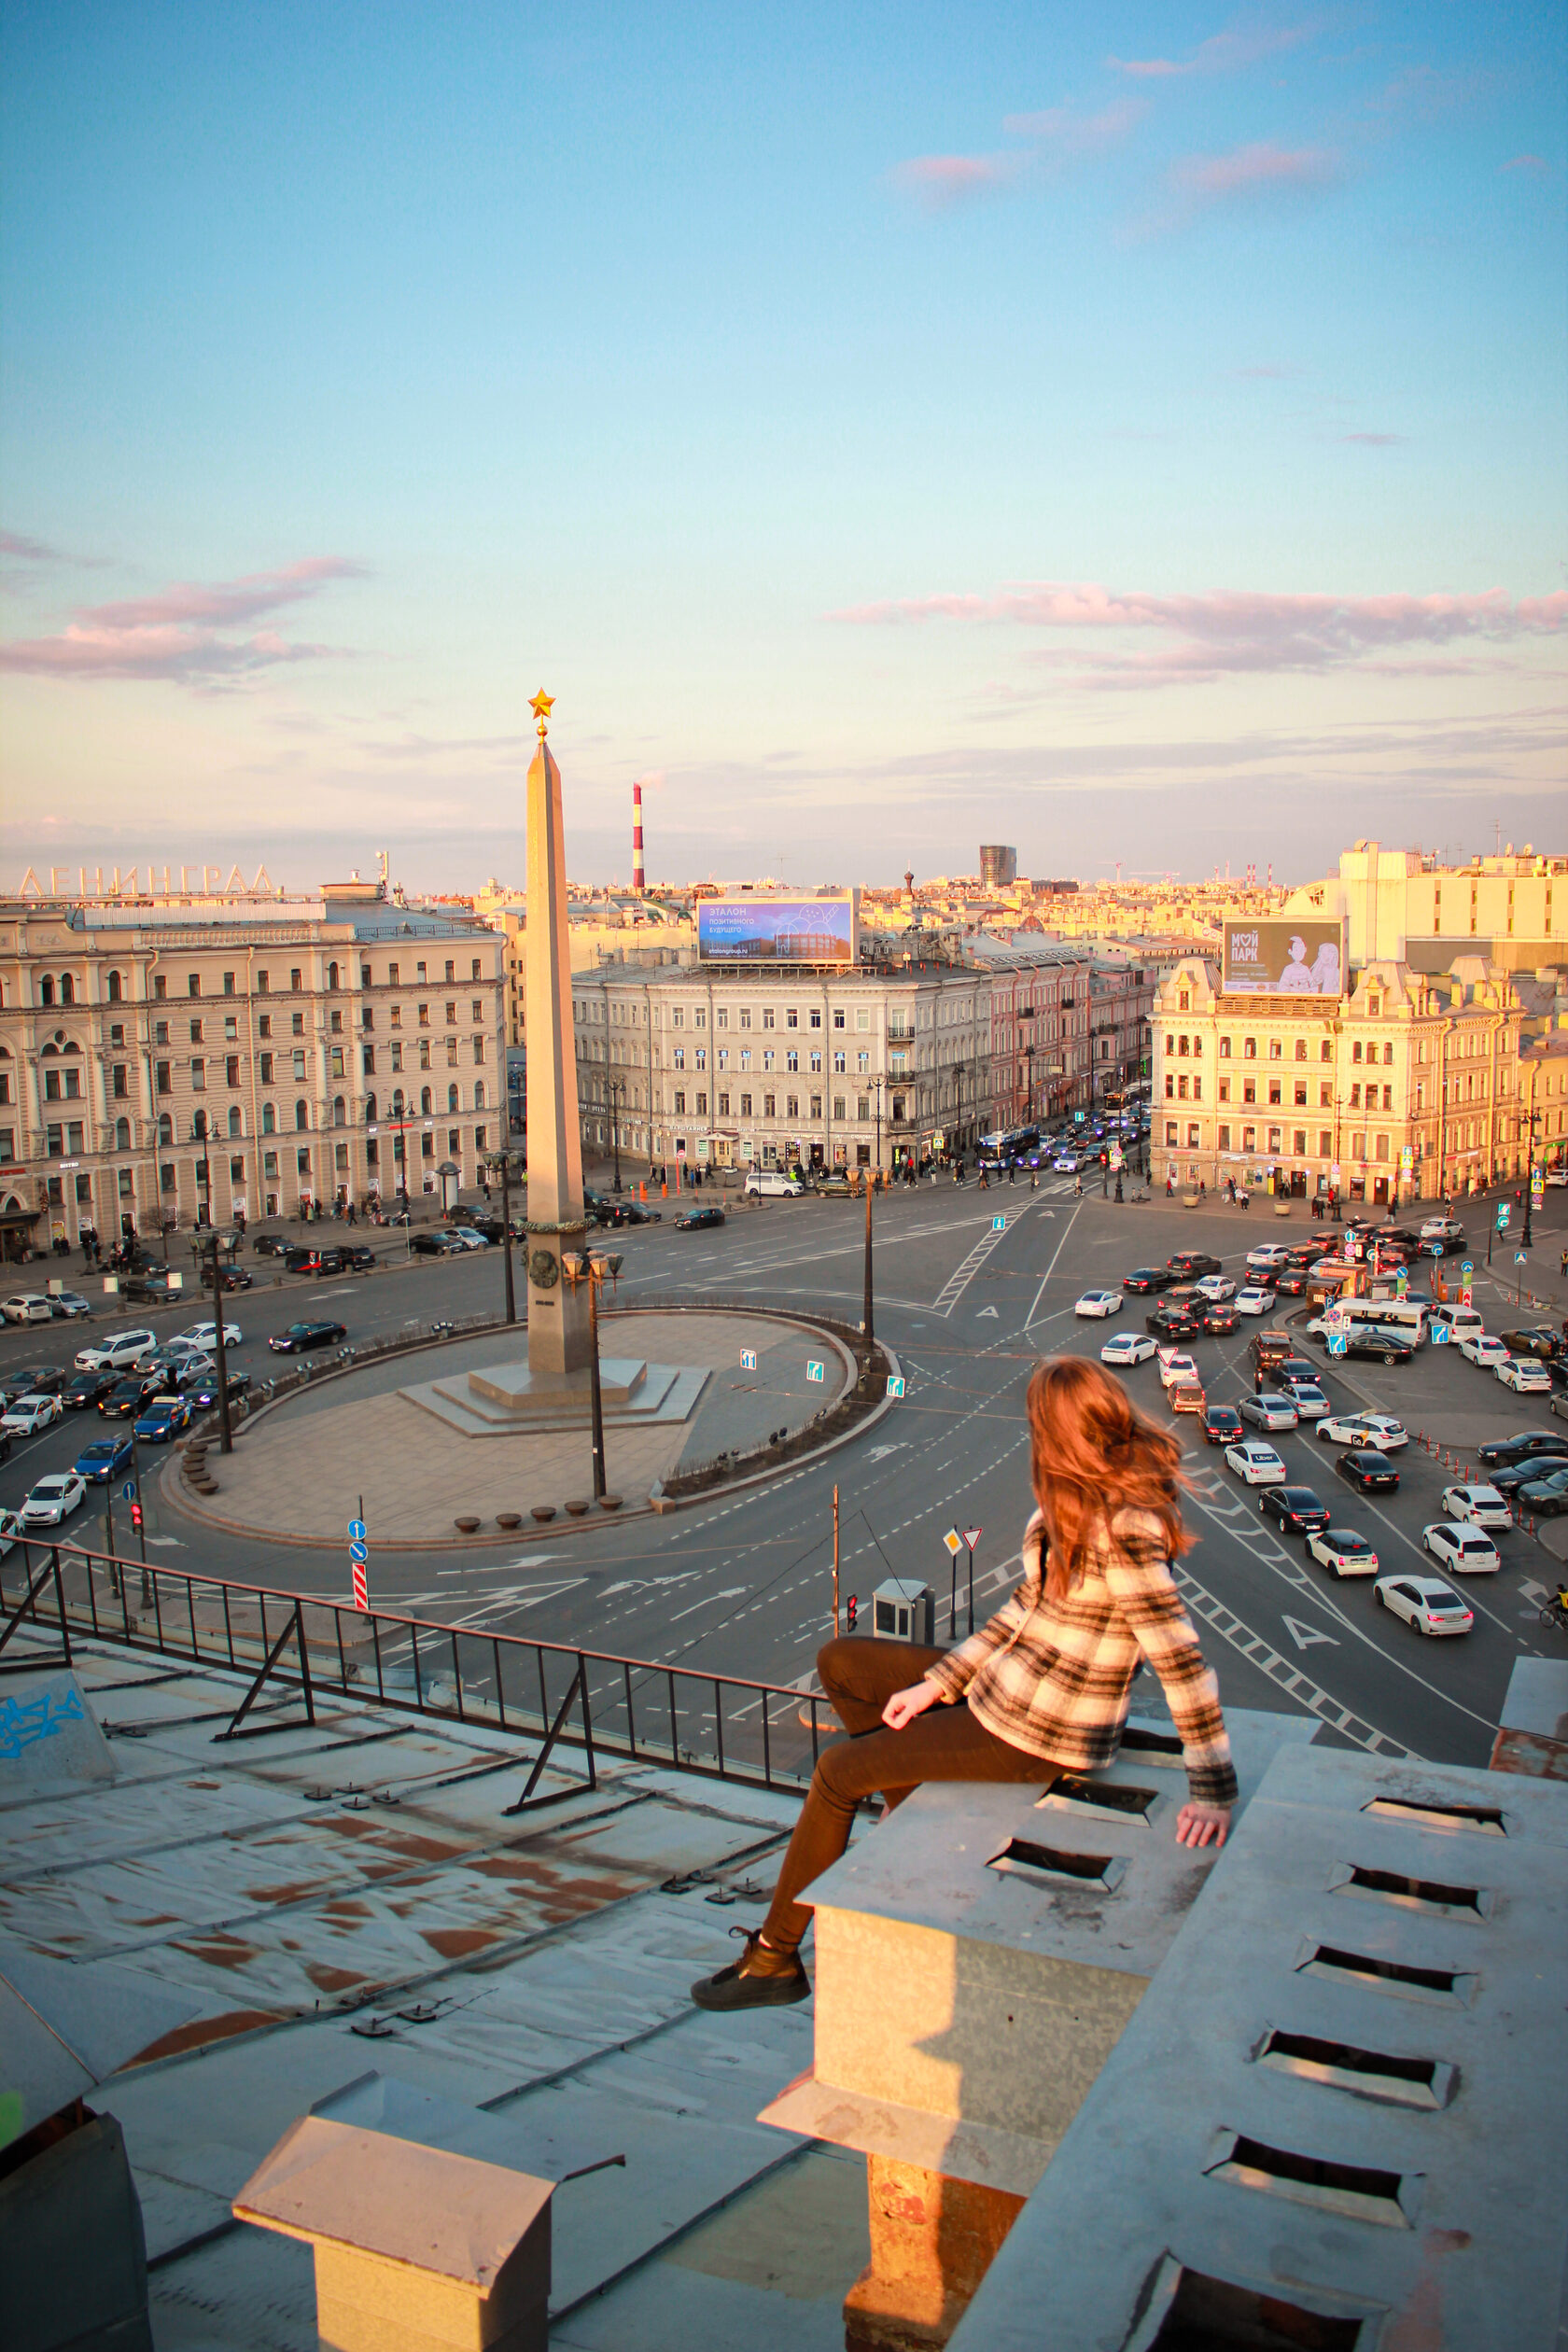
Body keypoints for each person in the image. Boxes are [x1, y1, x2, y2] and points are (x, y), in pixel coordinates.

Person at [691, 1355, 1237, 2011]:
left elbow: (1182, 1662)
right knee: (843, 1663)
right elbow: (1017, 1614)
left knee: (837, 1772)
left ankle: (774, 1958)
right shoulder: (1067, 1504)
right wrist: (937, 1683)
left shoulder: (1123, 1530)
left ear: (1056, 1433)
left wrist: (1212, 1791)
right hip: (1007, 1690)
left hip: (1041, 1732)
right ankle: (904, 1811)